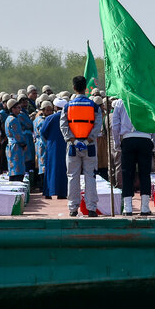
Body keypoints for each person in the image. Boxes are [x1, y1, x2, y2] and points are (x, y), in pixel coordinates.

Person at [60, 75, 103, 217]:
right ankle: (91, 208)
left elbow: (63, 125)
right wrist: (88, 140)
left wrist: (72, 140)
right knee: (90, 176)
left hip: (73, 146)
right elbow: (98, 125)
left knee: (72, 176)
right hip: (89, 145)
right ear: (86, 88)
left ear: (74, 88)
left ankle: (73, 208)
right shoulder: (94, 106)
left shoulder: (67, 106)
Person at [112, 98, 155, 215]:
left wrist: (117, 143)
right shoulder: (148, 99)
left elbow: (115, 125)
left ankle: (127, 208)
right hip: (146, 139)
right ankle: (144, 207)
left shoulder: (121, 101)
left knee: (127, 174)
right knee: (145, 174)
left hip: (128, 139)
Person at [41, 97, 69, 199]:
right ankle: (62, 192)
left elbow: (43, 132)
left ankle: (49, 192)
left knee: (50, 168)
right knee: (64, 168)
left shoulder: (50, 118)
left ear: (55, 107)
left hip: (52, 146)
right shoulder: (68, 117)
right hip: (66, 145)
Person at [4, 99, 30, 182]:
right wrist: (24, 144)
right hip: (16, 147)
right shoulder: (14, 120)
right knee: (18, 169)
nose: (20, 109)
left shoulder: (8, 118)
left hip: (10, 145)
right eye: (18, 107)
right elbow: (18, 135)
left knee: (12, 169)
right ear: (12, 109)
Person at [33, 100, 53, 196]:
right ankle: (43, 186)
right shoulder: (42, 120)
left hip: (39, 143)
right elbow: (43, 134)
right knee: (44, 165)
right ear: (43, 110)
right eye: (48, 110)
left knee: (41, 165)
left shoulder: (37, 119)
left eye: (51, 110)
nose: (50, 112)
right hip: (43, 144)